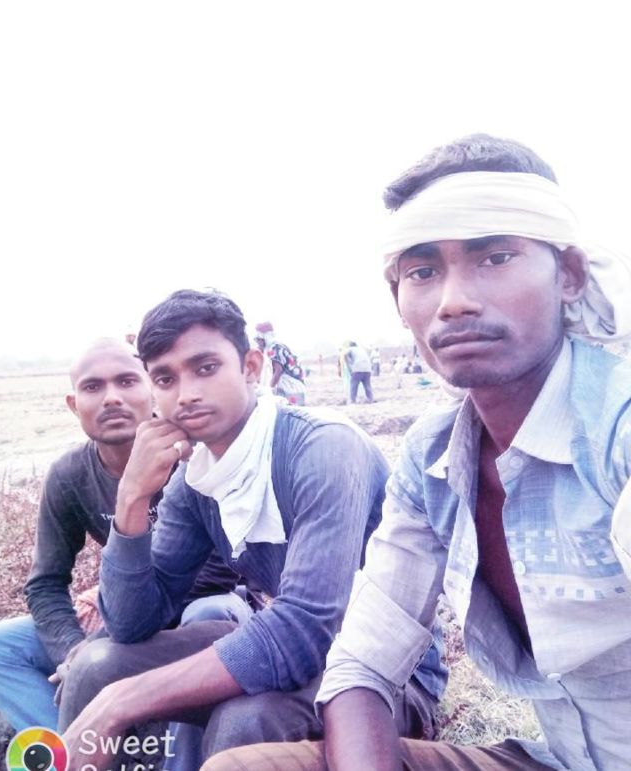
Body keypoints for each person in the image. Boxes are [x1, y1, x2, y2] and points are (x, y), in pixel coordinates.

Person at [203, 134, 631, 771]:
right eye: (423, 272)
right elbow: (361, 666)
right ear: (399, 301)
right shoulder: (433, 460)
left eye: (496, 257)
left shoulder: (615, 430)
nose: (453, 301)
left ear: (568, 274)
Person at [57, 290, 446, 770]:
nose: (186, 394)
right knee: (96, 668)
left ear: (250, 367)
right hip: (289, 648)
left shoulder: (323, 447)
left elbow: (306, 629)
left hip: (385, 674)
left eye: (205, 368)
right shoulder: (197, 477)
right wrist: (132, 499)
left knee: (245, 720)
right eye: (165, 378)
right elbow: (132, 623)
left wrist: (124, 701)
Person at [0, 339, 245, 733]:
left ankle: (179, 751)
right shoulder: (69, 476)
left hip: (195, 613)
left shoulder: (198, 459)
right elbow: (45, 584)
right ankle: (78, 744)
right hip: (121, 614)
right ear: (74, 404)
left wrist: (103, 637)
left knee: (208, 614)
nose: (111, 398)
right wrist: (72, 648)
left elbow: (215, 575)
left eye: (127, 381)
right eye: (93, 387)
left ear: (152, 390)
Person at [255, 321, 306, 405]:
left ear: (265, 338)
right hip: (288, 386)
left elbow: (278, 371)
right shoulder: (270, 348)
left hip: (291, 387)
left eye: (259, 339)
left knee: (290, 410)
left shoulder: (275, 348)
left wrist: (268, 389)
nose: (257, 342)